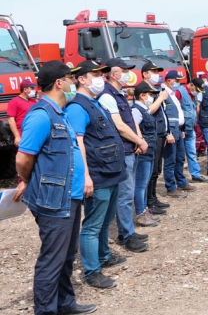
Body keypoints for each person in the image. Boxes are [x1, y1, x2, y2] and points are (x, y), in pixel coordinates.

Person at [14, 61, 97, 315]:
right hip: (53, 200)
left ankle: (65, 304)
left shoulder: (60, 113)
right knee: (52, 259)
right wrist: (28, 180)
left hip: (69, 198)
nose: (74, 83)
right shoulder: (41, 115)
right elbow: (23, 158)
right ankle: (47, 311)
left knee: (66, 256)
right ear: (59, 83)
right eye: (70, 79)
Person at [66, 60, 130, 289]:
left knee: (104, 221)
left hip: (111, 172)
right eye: (95, 74)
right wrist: (86, 177)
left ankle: (104, 255)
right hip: (98, 175)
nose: (100, 78)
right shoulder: (77, 107)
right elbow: (78, 144)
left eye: (101, 75)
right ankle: (92, 271)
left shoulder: (94, 103)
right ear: (81, 79)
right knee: (92, 225)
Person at [99, 58, 150, 251]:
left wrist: (138, 137)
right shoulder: (106, 95)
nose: (129, 73)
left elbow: (130, 120)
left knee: (127, 192)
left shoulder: (119, 94)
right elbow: (119, 126)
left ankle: (127, 231)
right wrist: (138, 140)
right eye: (125, 70)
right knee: (125, 195)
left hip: (132, 147)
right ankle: (127, 235)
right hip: (123, 150)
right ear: (114, 74)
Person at [140, 62, 170, 216]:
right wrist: (161, 98)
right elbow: (148, 111)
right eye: (153, 71)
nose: (156, 74)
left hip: (160, 133)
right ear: (145, 74)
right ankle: (148, 203)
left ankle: (153, 198)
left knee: (156, 169)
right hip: (152, 135)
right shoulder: (144, 91)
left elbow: (163, 114)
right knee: (150, 171)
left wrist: (166, 132)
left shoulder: (155, 90)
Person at [160, 70, 197, 197]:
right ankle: (171, 187)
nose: (177, 83)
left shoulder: (173, 94)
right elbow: (163, 115)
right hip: (171, 132)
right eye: (176, 80)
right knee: (170, 160)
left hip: (178, 130)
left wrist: (181, 129)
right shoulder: (163, 93)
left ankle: (181, 182)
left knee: (180, 158)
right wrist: (167, 133)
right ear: (169, 80)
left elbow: (177, 113)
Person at [130, 82, 162, 226]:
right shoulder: (136, 110)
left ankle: (145, 212)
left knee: (144, 183)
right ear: (142, 95)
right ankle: (141, 214)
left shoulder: (144, 109)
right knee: (140, 185)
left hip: (149, 150)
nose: (151, 97)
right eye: (149, 94)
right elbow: (134, 127)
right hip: (143, 152)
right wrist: (140, 141)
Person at [176, 74, 208, 183]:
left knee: (192, 152)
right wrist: (180, 129)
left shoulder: (193, 94)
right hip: (181, 130)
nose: (198, 92)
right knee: (179, 156)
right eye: (197, 89)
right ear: (191, 85)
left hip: (190, 128)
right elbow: (175, 111)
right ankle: (179, 178)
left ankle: (195, 174)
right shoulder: (179, 92)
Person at [7, 79, 38, 148]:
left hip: (34, 134)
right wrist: (17, 136)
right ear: (25, 90)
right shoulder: (14, 102)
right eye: (32, 88)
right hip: (23, 136)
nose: (34, 90)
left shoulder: (34, 101)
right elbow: (11, 120)